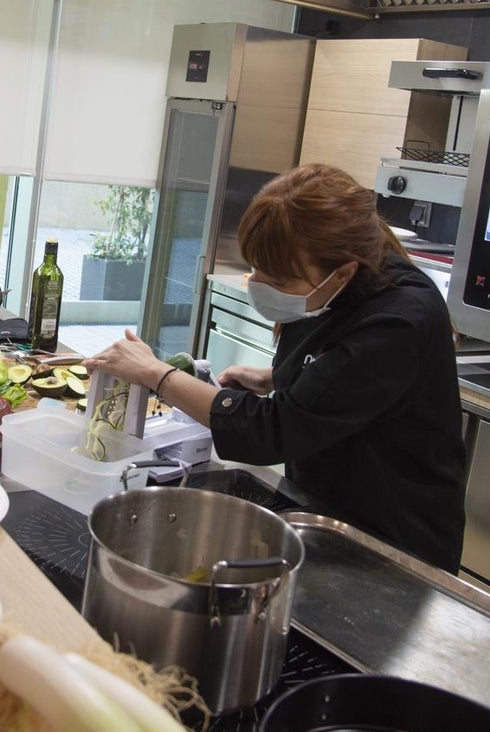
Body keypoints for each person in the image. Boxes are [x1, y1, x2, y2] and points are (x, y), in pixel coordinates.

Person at [84, 164, 467, 573]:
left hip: (392, 544)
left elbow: (271, 431)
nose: (262, 286)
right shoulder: (338, 279)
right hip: (325, 508)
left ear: (344, 271)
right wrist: (276, 377)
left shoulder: (398, 323)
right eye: (258, 269)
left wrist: (156, 374)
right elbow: (341, 372)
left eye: (280, 280)